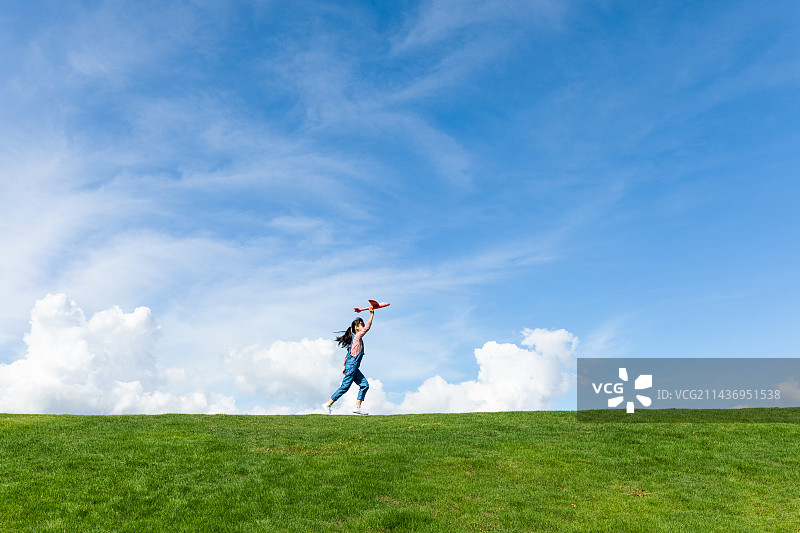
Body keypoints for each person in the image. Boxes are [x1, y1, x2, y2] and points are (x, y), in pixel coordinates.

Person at [322, 306, 374, 415]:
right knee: (345, 387)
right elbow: (367, 328)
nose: (363, 326)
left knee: (365, 385)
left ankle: (357, 407)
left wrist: (345, 367)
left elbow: (349, 354)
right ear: (356, 328)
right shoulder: (357, 338)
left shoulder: (357, 340)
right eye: (361, 324)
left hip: (353, 368)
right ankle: (328, 404)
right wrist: (371, 314)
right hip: (352, 367)